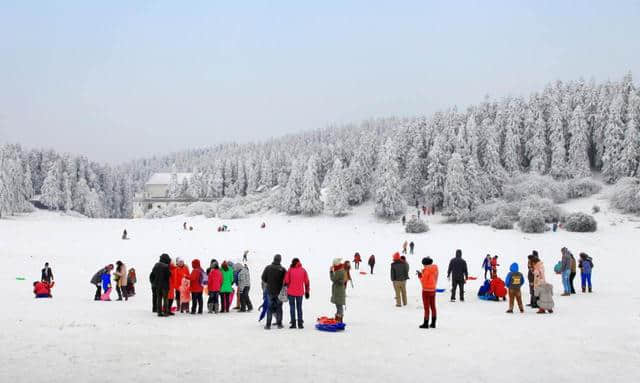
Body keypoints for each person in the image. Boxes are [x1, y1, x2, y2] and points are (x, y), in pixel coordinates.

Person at [261, 254, 287, 329]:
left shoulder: (268, 268)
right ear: (280, 260)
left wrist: (269, 282)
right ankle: (279, 324)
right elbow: (286, 280)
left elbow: (263, 278)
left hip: (270, 291)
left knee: (269, 308)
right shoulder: (283, 269)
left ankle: (268, 325)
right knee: (279, 307)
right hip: (279, 292)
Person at [284, 258, 310, 328]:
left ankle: (293, 324)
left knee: (292, 307)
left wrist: (286, 284)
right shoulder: (303, 270)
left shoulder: (290, 270)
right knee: (299, 307)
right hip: (300, 293)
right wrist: (307, 292)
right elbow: (307, 282)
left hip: (291, 293)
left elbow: (286, 281)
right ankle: (300, 324)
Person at [417, 256, 438, 329]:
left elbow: (424, 282)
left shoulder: (426, 270)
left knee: (426, 308)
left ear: (425, 264)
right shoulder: (435, 269)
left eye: (423, 264)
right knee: (433, 306)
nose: (423, 265)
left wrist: (420, 276)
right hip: (433, 290)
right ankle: (433, 323)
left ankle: (426, 323)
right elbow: (433, 279)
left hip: (426, 290)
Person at [330, 258, 347, 323]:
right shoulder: (341, 269)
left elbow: (333, 279)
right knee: (339, 306)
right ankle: (339, 319)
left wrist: (331, 271)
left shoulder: (339, 271)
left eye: (334, 264)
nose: (333, 265)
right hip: (339, 291)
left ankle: (339, 321)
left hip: (338, 292)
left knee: (339, 307)